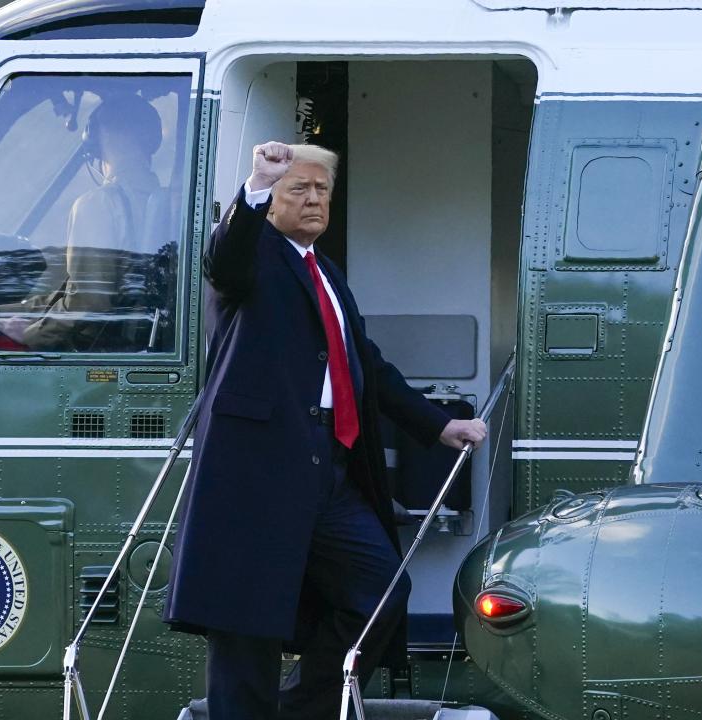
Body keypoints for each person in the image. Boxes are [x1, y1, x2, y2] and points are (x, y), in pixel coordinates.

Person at [164, 141, 487, 720]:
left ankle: (296, 710)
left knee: (381, 592)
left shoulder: (326, 272)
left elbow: (369, 366)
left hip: (325, 468)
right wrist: (257, 184)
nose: (314, 200)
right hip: (257, 469)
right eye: (299, 190)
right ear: (272, 202)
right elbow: (223, 258)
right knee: (246, 624)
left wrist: (439, 427)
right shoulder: (254, 252)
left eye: (322, 191)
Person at [0, 92, 170, 351]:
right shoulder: (170, 203)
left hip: (99, 350)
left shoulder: (97, 204)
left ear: (99, 138)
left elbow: (89, 302)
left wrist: (32, 336)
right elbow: (75, 292)